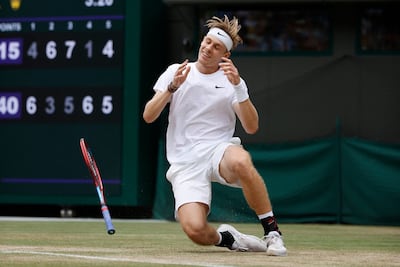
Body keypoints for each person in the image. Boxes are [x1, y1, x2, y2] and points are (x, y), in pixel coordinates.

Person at [143, 15, 287, 256]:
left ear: (225, 55)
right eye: (207, 42)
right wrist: (171, 88)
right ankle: (229, 238)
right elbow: (149, 115)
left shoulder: (233, 82)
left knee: (241, 160)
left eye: (216, 46)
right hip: (184, 163)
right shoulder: (175, 72)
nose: (208, 48)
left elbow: (251, 127)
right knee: (196, 231)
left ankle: (272, 233)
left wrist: (239, 86)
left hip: (217, 151)